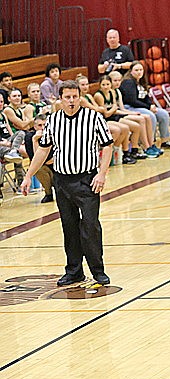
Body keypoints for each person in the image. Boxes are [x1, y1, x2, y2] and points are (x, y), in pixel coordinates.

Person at [19, 80, 113, 286]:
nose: (71, 101)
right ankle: (74, 271)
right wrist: (28, 176)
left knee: (90, 226)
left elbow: (108, 146)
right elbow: (43, 150)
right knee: (69, 227)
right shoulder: (53, 121)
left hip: (88, 180)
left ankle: (98, 270)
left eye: (74, 96)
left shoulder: (94, 118)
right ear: (60, 99)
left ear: (79, 96)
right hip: (62, 181)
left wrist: (102, 174)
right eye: (67, 97)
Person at [120, 61, 170, 152]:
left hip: (141, 106)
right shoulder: (128, 82)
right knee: (151, 116)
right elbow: (132, 101)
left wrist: (151, 105)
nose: (139, 72)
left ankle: (164, 141)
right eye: (136, 70)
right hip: (130, 107)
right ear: (131, 71)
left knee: (163, 114)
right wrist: (148, 107)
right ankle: (150, 142)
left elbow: (146, 96)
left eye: (141, 70)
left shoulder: (141, 81)